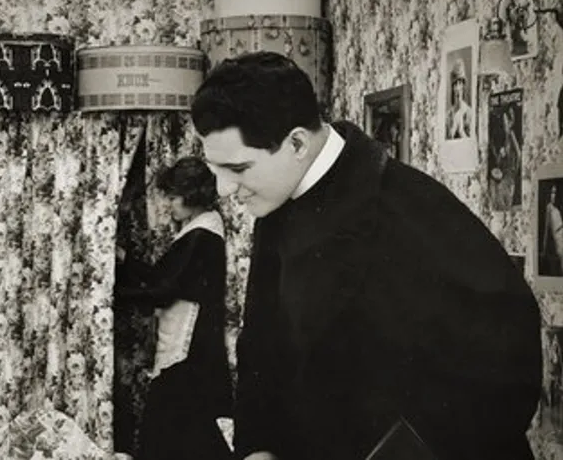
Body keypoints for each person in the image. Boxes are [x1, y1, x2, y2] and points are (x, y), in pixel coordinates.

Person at [190, 51, 541, 460]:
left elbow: (506, 368)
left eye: (238, 169)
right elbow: (261, 345)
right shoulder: (277, 201)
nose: (224, 190)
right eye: (215, 168)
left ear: (297, 143)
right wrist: (258, 445)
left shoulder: (410, 207)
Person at [114, 156, 233, 460]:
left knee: (172, 429)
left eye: (174, 197)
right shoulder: (199, 231)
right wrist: (126, 260)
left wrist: (115, 296)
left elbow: (163, 291)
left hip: (188, 349)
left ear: (193, 196)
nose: (168, 204)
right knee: (181, 432)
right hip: (189, 348)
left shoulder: (202, 235)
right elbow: (163, 278)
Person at [489, 105, 522, 211]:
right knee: (494, 189)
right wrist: (500, 155)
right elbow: (499, 162)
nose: (505, 123)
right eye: (504, 121)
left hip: (510, 173)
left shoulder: (511, 134)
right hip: (504, 172)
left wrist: (516, 169)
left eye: (506, 120)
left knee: (502, 192)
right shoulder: (504, 138)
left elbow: (519, 153)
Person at [446, 58, 472, 140]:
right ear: (452, 88)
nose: (457, 88)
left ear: (463, 86)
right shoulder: (448, 115)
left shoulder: (469, 112)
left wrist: (461, 131)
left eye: (460, 83)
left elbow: (472, 142)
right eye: (455, 84)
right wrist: (451, 132)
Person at [542, 185, 563, 276]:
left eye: (555, 192)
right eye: (552, 192)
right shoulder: (549, 207)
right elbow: (546, 228)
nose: (553, 195)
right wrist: (544, 248)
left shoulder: (556, 209)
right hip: (557, 239)